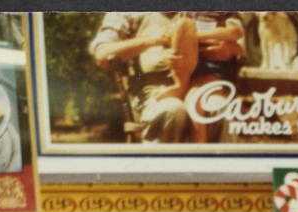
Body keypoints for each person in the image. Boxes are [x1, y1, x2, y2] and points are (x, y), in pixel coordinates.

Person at [89, 12, 245, 143]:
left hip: (202, 84)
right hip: (156, 93)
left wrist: (231, 49)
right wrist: (154, 41)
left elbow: (239, 40)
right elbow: (102, 54)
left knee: (218, 107)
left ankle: (220, 175)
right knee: (173, 110)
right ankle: (164, 175)